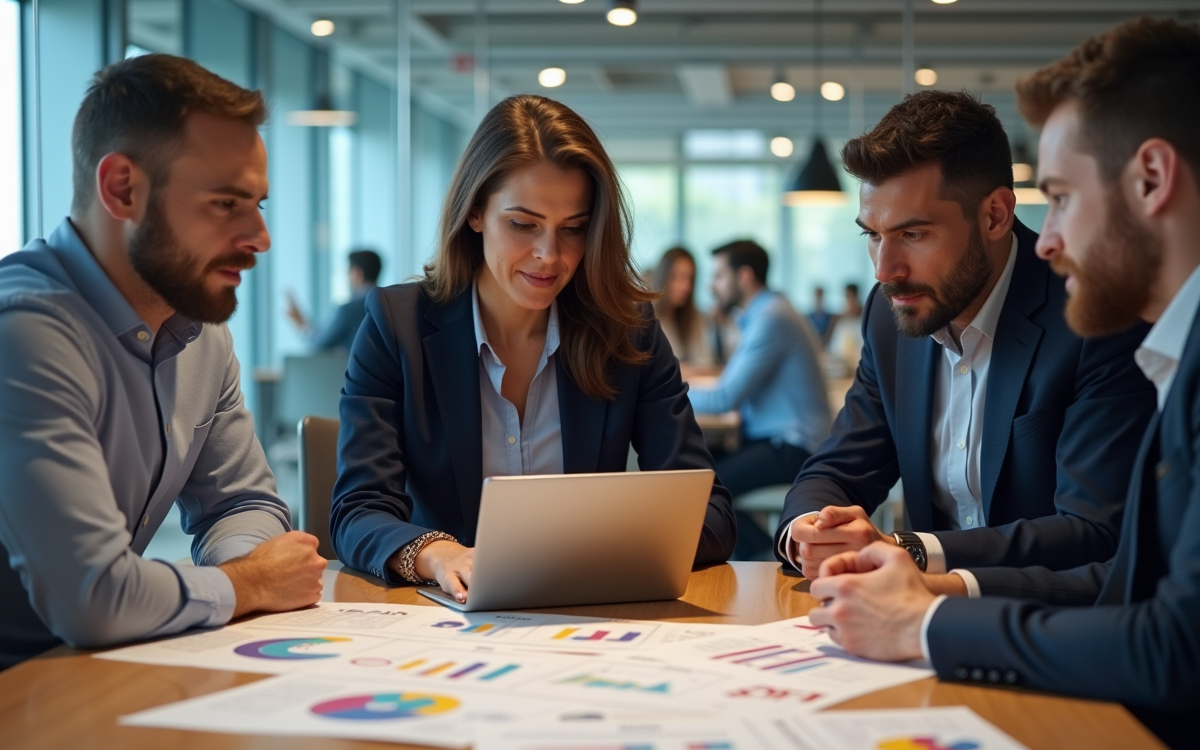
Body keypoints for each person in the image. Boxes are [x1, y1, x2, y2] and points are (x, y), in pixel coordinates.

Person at [809, 17, 1200, 750]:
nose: (1045, 239)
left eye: (1057, 197)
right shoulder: (1173, 356)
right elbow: (1126, 594)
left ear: (1151, 178)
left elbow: (1168, 642)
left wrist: (924, 621)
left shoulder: (1120, 336)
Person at [329, 95, 736, 600]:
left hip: (586, 620)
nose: (550, 255)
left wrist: (580, 555)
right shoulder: (397, 326)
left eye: (573, 229)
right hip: (439, 626)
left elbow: (711, 515)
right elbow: (357, 511)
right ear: (475, 211)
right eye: (522, 224)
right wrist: (437, 554)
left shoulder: (628, 331)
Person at [0, 55, 326, 670]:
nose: (260, 236)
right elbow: (94, 597)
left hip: (93, 673)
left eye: (258, 203)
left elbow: (240, 504)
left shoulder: (200, 333)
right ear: (123, 188)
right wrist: (249, 583)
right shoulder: (24, 331)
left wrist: (246, 564)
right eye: (227, 203)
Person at [777, 90, 1155, 583]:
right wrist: (811, 531)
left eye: (913, 235)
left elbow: (1093, 531)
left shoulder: (1091, 315)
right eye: (872, 234)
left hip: (1050, 629)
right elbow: (839, 468)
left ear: (995, 215)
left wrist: (906, 551)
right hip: (910, 629)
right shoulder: (891, 313)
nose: (885, 270)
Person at [688, 240, 831, 560]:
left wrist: (662, 388)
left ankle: (764, 557)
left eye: (719, 276)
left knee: (697, 489)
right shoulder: (768, 312)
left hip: (793, 447)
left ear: (745, 276)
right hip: (779, 441)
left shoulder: (771, 317)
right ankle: (761, 553)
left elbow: (725, 396)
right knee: (696, 469)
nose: (712, 286)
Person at [284, 249, 381, 352]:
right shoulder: (386, 305)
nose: (346, 278)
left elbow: (319, 344)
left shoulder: (348, 310)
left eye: (348, 272)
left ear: (357, 274)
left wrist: (300, 323)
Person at [651, 246, 715, 372]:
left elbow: (706, 363)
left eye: (690, 279)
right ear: (663, 277)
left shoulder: (693, 316)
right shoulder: (648, 319)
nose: (686, 286)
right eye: (677, 277)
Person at [825, 282, 864, 376]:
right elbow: (834, 349)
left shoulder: (865, 320)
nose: (849, 302)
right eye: (847, 298)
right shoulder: (842, 322)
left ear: (856, 297)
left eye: (851, 298)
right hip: (842, 368)